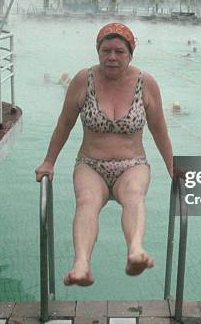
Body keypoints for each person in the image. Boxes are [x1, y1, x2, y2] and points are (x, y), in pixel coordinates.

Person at [35, 22, 173, 287]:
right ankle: (81, 265)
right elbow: (64, 124)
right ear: (97, 51)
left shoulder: (146, 83)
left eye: (119, 51)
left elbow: (160, 130)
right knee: (87, 201)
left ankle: (135, 251)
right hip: (91, 164)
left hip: (132, 164)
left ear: (130, 54)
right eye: (106, 50)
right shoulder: (82, 80)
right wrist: (49, 161)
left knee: (134, 195)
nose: (112, 57)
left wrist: (172, 166)